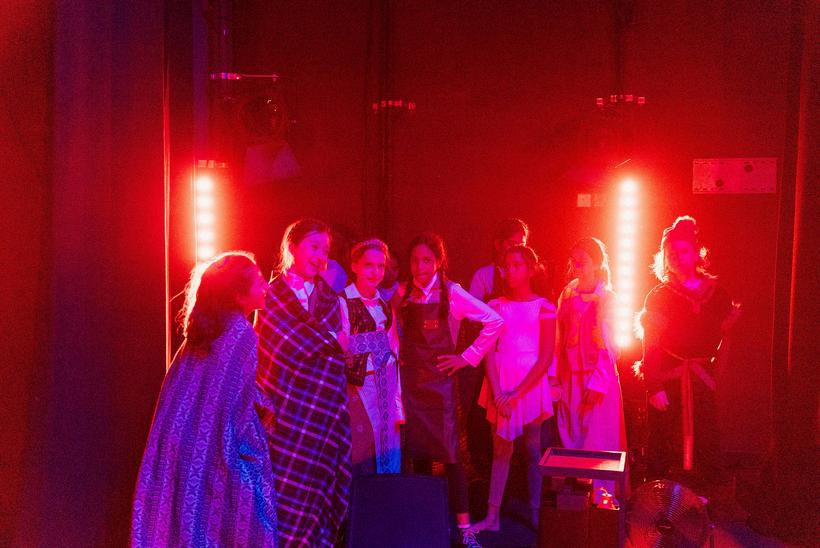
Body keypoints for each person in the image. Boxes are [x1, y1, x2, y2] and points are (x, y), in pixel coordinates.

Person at [131, 252, 277, 547]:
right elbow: (232, 409)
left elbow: (214, 388)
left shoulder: (201, 330)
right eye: (259, 281)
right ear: (238, 293)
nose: (266, 287)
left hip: (176, 440)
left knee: (180, 527)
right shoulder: (241, 334)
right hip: (206, 445)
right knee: (240, 520)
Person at [398, 232, 503, 546]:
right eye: (415, 260)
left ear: (439, 261)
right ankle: (424, 527)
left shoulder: (452, 292)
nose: (420, 267)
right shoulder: (403, 293)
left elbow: (494, 321)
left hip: (442, 388)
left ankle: (464, 530)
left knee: (452, 458)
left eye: (427, 260)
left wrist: (466, 357)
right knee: (417, 458)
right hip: (411, 387)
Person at [636, 216, 742, 516]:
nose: (677, 257)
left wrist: (717, 376)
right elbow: (651, 344)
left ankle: (706, 510)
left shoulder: (716, 294)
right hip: (668, 379)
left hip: (701, 379)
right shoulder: (660, 296)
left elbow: (727, 340)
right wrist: (654, 385)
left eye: (683, 251)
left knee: (706, 439)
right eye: (671, 253)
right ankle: (659, 510)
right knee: (664, 442)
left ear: (696, 254)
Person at [255, 219, 351, 547]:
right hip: (283, 412)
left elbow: (338, 357)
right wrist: (329, 341)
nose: (320, 255)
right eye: (314, 247)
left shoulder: (330, 299)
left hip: (320, 414)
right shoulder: (270, 296)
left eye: (325, 250)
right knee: (282, 490)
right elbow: (277, 349)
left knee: (316, 488)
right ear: (292, 247)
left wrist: (329, 345)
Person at [475, 245, 557, 531]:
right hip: (501, 378)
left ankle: (536, 513)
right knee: (501, 450)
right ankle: (492, 517)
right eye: (506, 266)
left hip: (529, 383)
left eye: (516, 266)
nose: (509, 271)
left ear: (531, 270)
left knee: (533, 449)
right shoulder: (496, 306)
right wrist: (498, 392)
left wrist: (517, 394)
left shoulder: (544, 307)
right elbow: (488, 351)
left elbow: (546, 356)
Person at [555, 237, 627, 503]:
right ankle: (577, 505)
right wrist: (555, 379)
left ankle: (602, 504)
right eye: (573, 261)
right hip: (570, 381)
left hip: (597, 383)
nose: (576, 266)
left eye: (581, 261)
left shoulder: (608, 298)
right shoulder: (567, 294)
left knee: (598, 442)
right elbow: (557, 339)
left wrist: (597, 384)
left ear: (596, 263)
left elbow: (611, 346)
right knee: (571, 441)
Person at [338, 238, 404, 476]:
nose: (375, 272)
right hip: (357, 385)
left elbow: (394, 349)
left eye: (380, 266)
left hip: (385, 382)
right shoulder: (342, 302)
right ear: (354, 266)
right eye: (368, 265)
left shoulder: (384, 305)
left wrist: (397, 403)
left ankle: (385, 494)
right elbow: (341, 347)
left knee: (387, 446)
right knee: (362, 448)